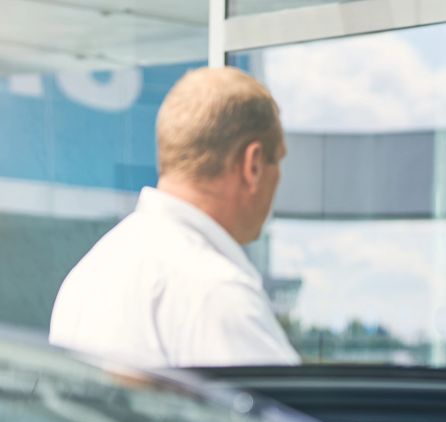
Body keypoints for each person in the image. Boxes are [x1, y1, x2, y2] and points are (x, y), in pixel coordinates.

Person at [50, 66, 299, 367]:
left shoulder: (91, 272)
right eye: (280, 160)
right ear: (253, 165)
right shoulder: (215, 292)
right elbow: (287, 414)